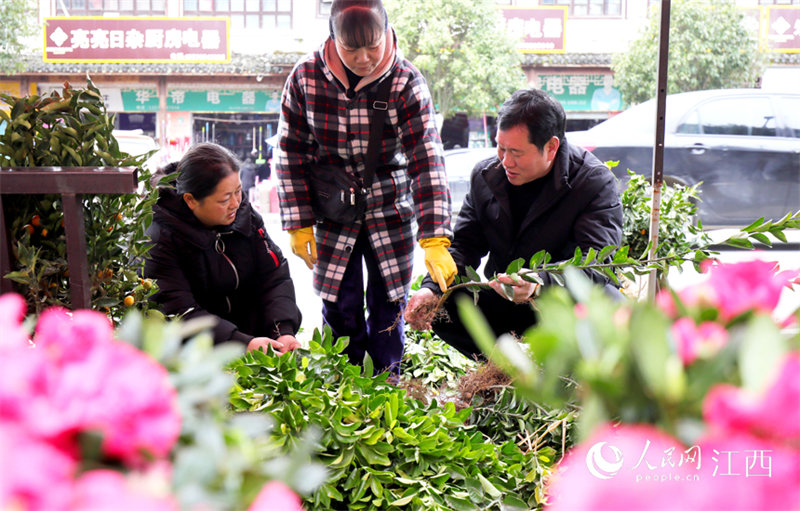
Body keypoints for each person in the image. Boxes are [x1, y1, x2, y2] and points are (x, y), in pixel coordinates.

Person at [274, 0, 456, 375]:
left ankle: (388, 384)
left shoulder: (407, 82)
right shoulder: (306, 76)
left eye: (372, 45)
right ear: (333, 38)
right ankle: (341, 384)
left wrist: (435, 237)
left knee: (389, 304)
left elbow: (426, 159)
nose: (364, 58)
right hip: (332, 209)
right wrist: (298, 221)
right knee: (339, 305)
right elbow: (290, 150)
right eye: (351, 48)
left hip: (389, 207)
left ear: (387, 32)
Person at [404, 88, 623, 358]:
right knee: (442, 306)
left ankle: (574, 376)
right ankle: (501, 372)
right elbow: (465, 245)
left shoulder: (592, 183)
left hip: (564, 305)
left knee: (614, 306)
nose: (505, 161)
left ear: (551, 146)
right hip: (506, 298)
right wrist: (431, 288)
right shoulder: (486, 175)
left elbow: (599, 264)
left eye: (516, 153)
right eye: (500, 148)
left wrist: (539, 282)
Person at [144, 142, 302, 354]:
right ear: (190, 200)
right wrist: (239, 342)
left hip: (253, 342)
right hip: (193, 355)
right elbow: (177, 310)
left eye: (238, 191)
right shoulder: (159, 235)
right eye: (225, 198)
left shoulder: (244, 216)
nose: (236, 203)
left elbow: (273, 275)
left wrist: (282, 330)